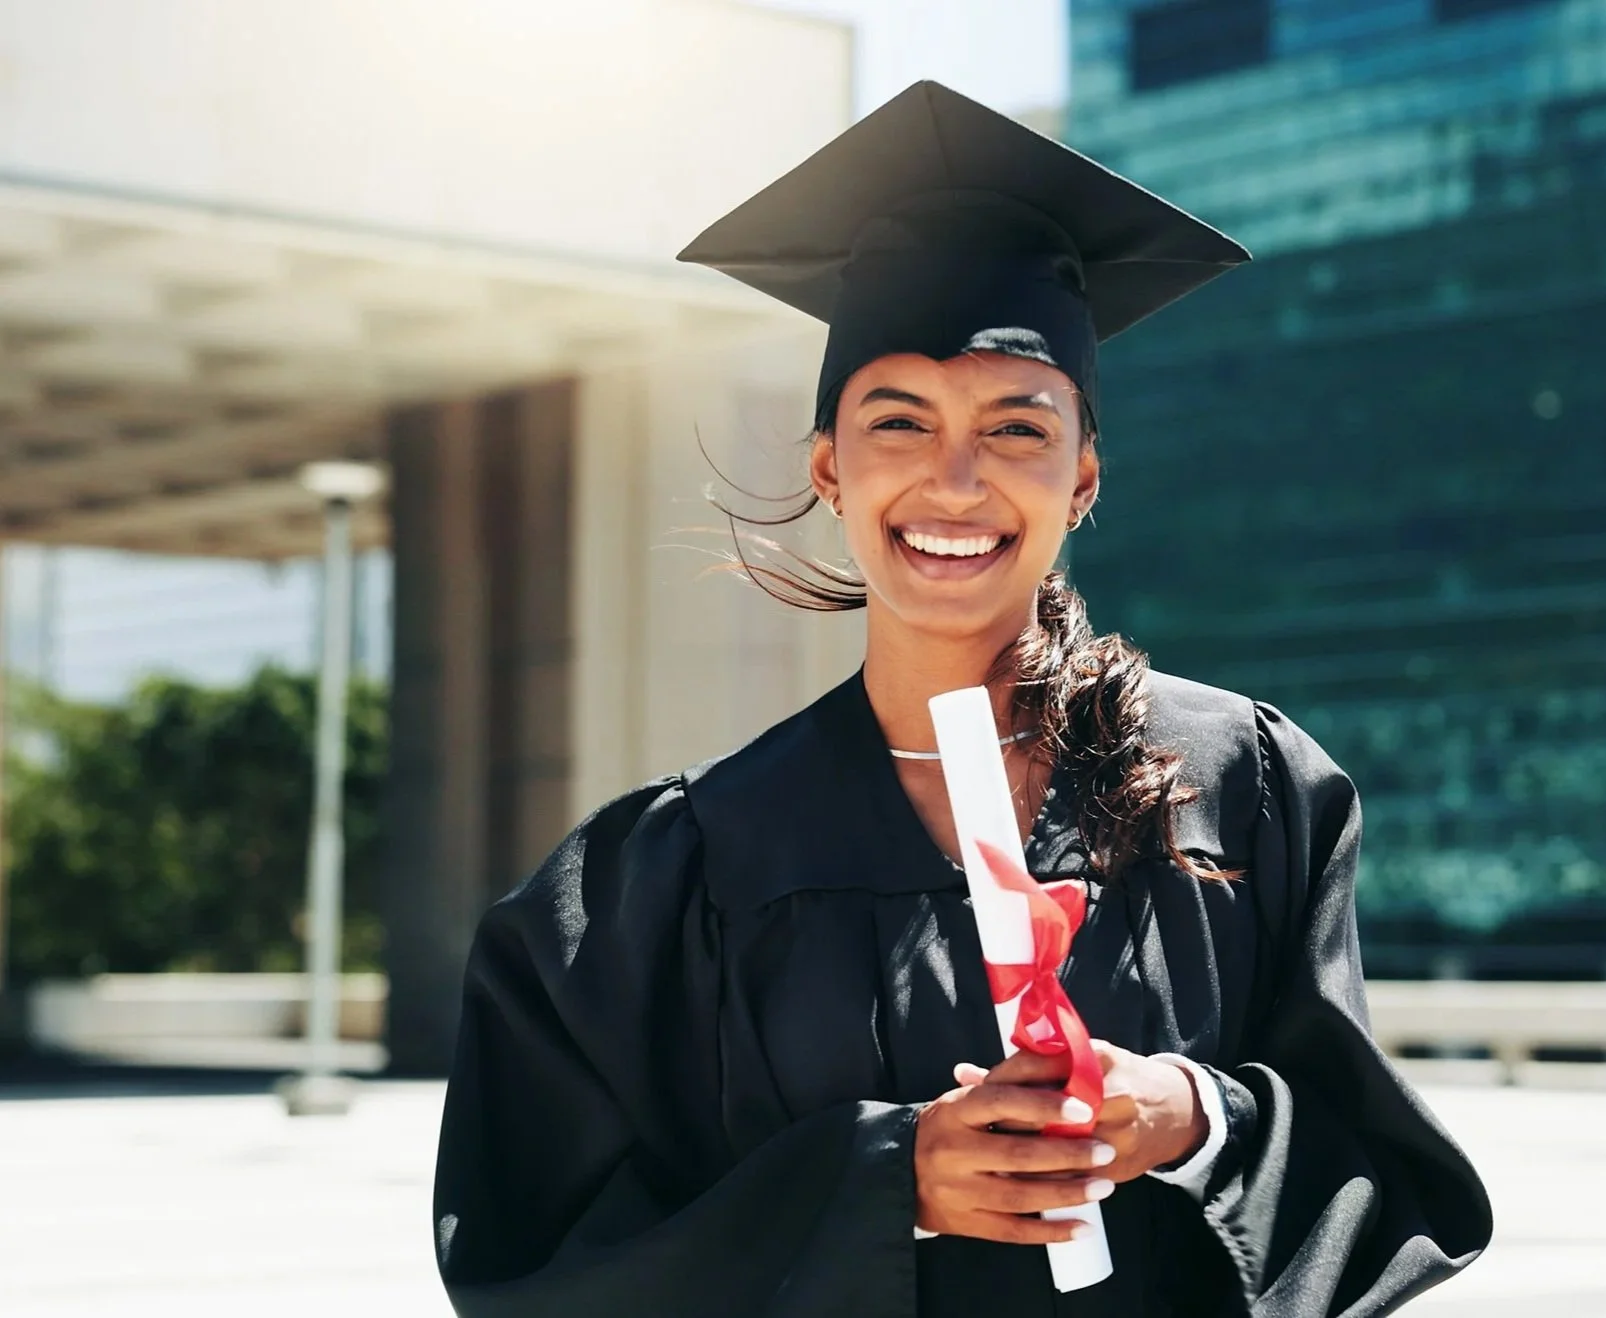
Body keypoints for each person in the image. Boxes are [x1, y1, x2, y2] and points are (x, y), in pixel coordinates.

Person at [431, 82, 1491, 1317]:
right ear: (830, 464)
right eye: (899, 419)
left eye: (1016, 426)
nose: (955, 478)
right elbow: (532, 1258)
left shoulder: (1246, 786)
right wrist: (888, 1181)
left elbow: (1384, 1176)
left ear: (1083, 475)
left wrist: (1193, 1118)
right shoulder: (677, 871)